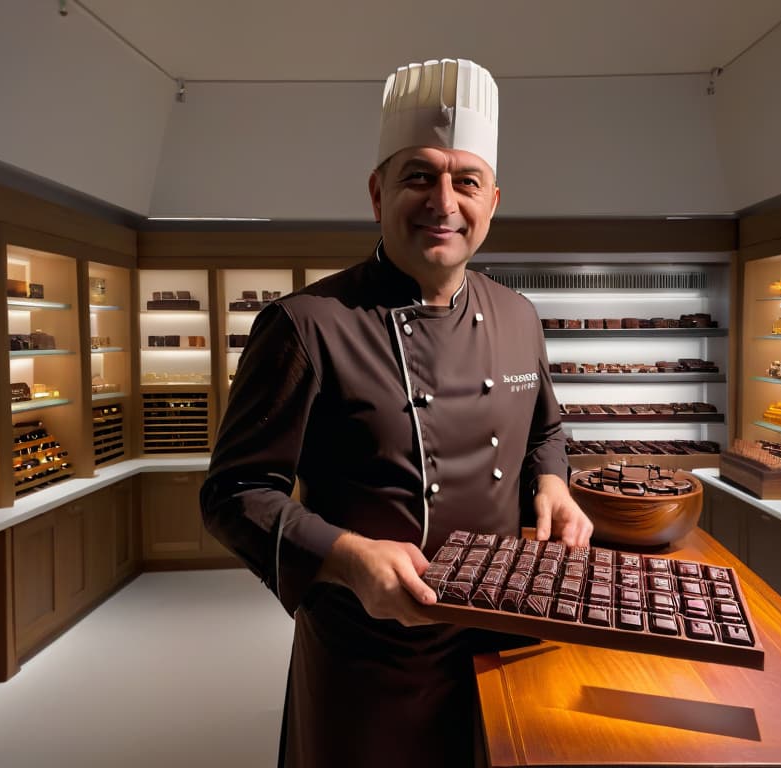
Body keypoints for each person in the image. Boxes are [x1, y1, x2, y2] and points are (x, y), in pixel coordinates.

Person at [201, 57, 593, 768]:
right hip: (369, 657)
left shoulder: (518, 315)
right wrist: (347, 559)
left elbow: (547, 431)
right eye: (420, 176)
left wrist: (555, 486)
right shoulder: (307, 326)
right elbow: (233, 495)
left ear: (492, 201)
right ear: (378, 191)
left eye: (465, 181)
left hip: (506, 635)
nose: (444, 201)